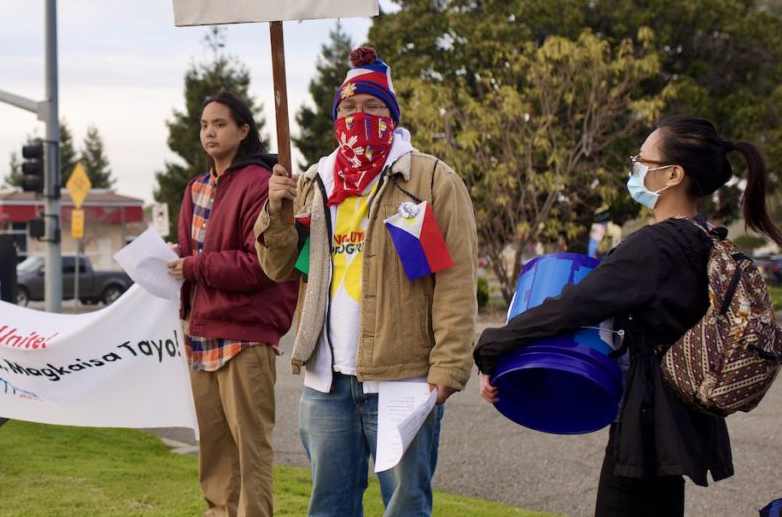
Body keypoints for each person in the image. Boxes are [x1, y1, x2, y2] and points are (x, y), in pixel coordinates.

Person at [473, 116, 779, 516]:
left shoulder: (655, 247)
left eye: (642, 158)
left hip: (646, 431)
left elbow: (573, 305)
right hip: (675, 427)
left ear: (672, 175)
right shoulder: (703, 237)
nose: (634, 166)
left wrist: (491, 346)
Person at [255, 47, 479, 517]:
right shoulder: (315, 180)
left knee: (405, 506)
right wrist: (275, 214)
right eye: (349, 107)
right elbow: (282, 268)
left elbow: (454, 282)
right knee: (329, 506)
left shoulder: (429, 178)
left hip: (404, 379)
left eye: (373, 106)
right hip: (327, 381)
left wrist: (447, 370)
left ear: (393, 114)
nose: (359, 115)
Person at [168, 91, 299, 517]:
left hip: (246, 337)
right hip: (202, 333)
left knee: (250, 452)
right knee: (215, 453)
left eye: (220, 124)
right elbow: (192, 257)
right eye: (205, 124)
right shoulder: (196, 188)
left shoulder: (262, 184)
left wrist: (194, 266)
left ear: (243, 131)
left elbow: (259, 267)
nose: (209, 132)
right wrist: (177, 260)